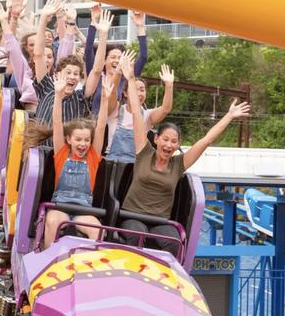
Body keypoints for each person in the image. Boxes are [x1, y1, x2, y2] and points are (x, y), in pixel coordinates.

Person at [119, 51, 250, 257]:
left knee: (173, 240)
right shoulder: (144, 152)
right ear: (156, 139)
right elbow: (137, 112)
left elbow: (206, 140)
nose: (169, 145)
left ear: (178, 144)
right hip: (133, 215)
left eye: (174, 141)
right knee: (137, 234)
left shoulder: (178, 164)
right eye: (165, 139)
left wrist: (230, 116)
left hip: (160, 221)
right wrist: (130, 78)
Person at [40, 67, 114, 248]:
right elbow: (57, 123)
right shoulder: (62, 152)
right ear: (69, 140)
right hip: (60, 206)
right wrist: (58, 97)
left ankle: (91, 268)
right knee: (53, 223)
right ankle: (50, 261)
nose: (83, 144)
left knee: (98, 230)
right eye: (78, 140)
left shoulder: (93, 156)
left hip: (83, 209)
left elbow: (102, 126)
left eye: (87, 140)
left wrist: (105, 100)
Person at [105, 62, 174, 162]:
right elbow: (111, 91)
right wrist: (118, 72)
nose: (139, 93)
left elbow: (165, 109)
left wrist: (169, 85)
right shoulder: (116, 110)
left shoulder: (147, 115)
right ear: (125, 93)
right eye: (135, 89)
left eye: (142, 90)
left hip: (136, 164)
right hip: (113, 164)